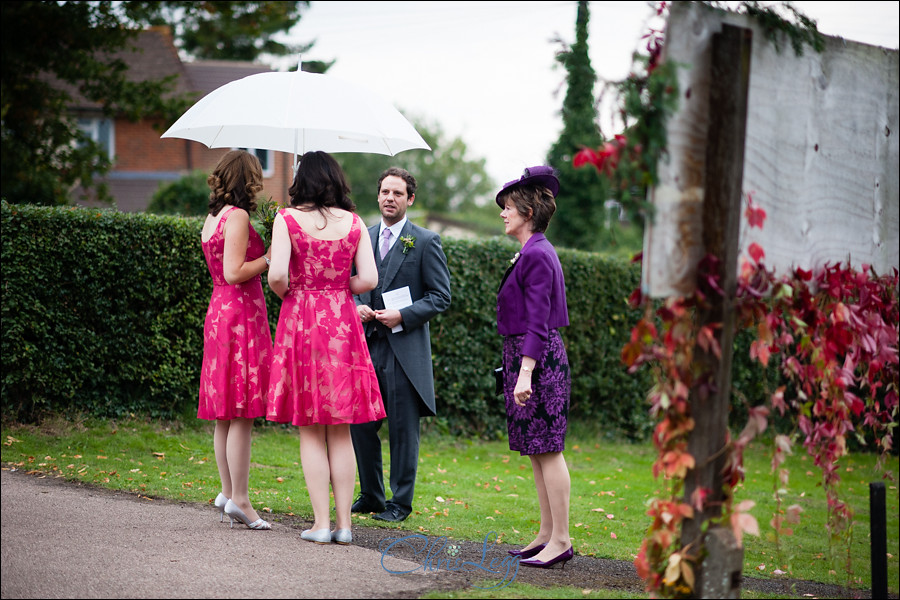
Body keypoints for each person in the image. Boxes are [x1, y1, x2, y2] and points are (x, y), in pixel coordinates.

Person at [266, 151, 385, 545]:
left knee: (310, 429)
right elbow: (368, 278)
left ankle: (320, 524)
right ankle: (346, 526)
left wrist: (296, 292)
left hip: (302, 323)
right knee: (341, 428)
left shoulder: (286, 219)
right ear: (336, 180)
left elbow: (278, 275)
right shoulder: (353, 223)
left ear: (302, 179)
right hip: (342, 326)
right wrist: (335, 288)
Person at [350, 167, 452, 523]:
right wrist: (355, 307)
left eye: (397, 193)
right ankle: (372, 495)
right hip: (366, 346)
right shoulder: (363, 236)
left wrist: (403, 316)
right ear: (377, 196)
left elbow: (441, 297)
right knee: (360, 423)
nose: (389, 198)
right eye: (384, 192)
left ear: (410, 199)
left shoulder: (424, 241)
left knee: (403, 429)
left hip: (404, 350)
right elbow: (349, 287)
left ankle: (400, 503)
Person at [495, 166, 573, 569]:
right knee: (537, 452)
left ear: (527, 210)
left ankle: (560, 538)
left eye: (508, 207)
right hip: (527, 358)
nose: (504, 214)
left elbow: (538, 319)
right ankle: (546, 533)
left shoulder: (539, 253)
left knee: (549, 450)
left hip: (537, 362)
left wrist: (525, 372)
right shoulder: (532, 250)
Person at [198, 150, 273, 531]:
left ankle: (228, 492)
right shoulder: (239, 216)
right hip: (240, 315)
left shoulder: (213, 217)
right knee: (241, 410)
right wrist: (271, 257)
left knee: (225, 412)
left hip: (219, 314)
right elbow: (234, 271)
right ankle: (240, 500)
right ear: (248, 179)